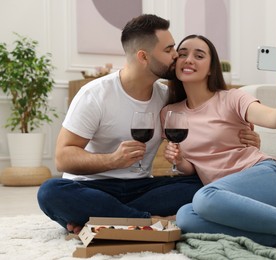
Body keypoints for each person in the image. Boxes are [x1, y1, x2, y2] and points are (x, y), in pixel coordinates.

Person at [37, 14, 260, 235]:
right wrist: (113, 160)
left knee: (202, 184)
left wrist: (242, 137)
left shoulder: (166, 97)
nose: (176, 56)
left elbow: (206, 129)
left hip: (141, 188)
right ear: (144, 57)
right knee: (50, 192)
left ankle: (100, 220)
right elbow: (62, 158)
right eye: (168, 50)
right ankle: (146, 221)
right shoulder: (95, 95)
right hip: (91, 187)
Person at [161, 34, 276, 254]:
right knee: (185, 216)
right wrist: (180, 160)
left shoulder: (232, 98)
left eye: (199, 55)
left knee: (203, 198)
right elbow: (194, 166)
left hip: (264, 179)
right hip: (225, 199)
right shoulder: (169, 113)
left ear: (212, 68)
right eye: (182, 54)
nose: (188, 59)